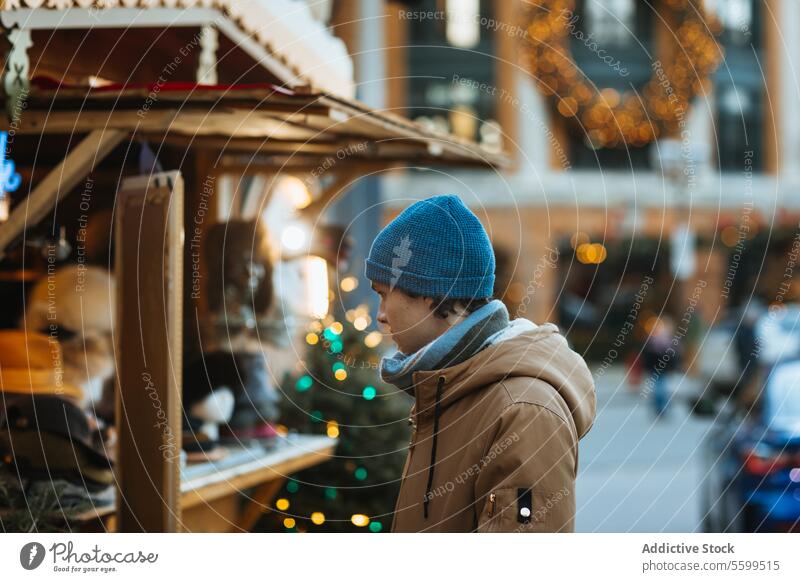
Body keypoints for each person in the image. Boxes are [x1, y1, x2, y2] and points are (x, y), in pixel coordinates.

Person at [364, 195, 596, 532]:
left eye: (385, 294)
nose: (380, 315)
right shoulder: (448, 385)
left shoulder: (524, 410)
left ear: (429, 292)